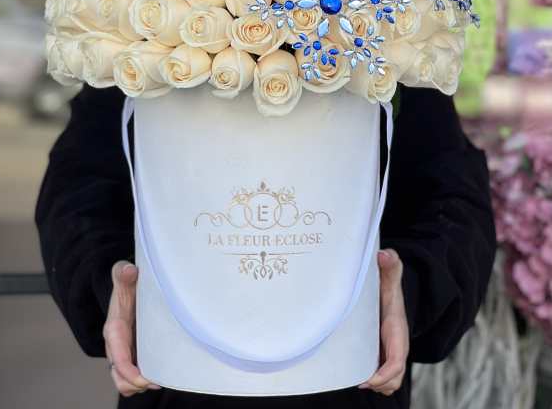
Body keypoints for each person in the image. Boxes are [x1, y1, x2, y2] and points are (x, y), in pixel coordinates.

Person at [35, 80, 496, 409]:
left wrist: (406, 291)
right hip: (175, 389)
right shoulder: (144, 26)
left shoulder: (380, 19)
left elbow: (453, 198)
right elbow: (79, 187)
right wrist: (112, 285)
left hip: (351, 389)